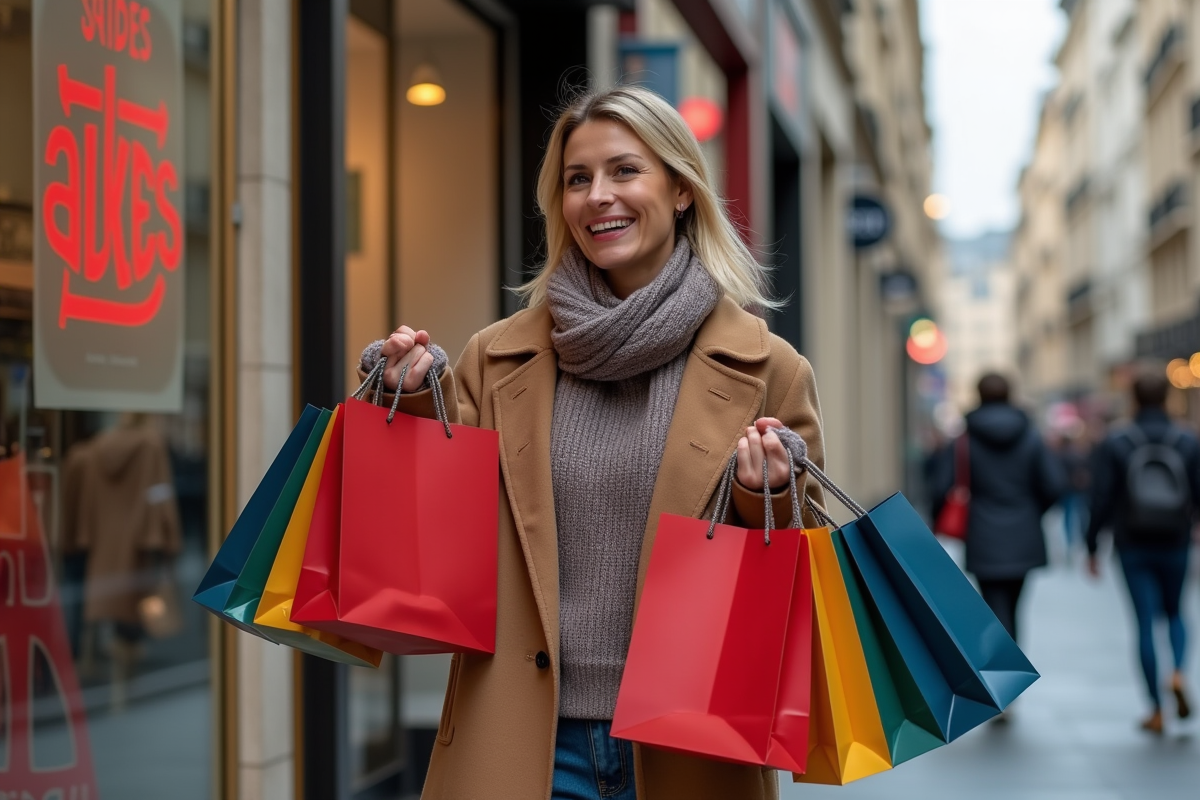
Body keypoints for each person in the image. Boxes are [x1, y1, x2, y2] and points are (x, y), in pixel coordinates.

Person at [358, 86, 826, 800]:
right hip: (521, 748)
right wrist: (410, 395)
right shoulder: (496, 357)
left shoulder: (769, 369)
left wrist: (761, 495)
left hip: (687, 749)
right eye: (578, 179)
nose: (598, 196)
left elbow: (798, 579)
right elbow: (442, 538)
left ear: (679, 189)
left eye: (624, 171)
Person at [1086, 371, 1196, 734]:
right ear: (1167, 397)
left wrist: (1091, 544)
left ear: (1133, 398)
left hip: (1132, 542)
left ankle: (1155, 709)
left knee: (1144, 622)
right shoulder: (1187, 439)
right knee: (1176, 613)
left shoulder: (1117, 441)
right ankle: (1178, 672)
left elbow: (1101, 497)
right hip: (1175, 539)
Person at [932, 373, 1066, 650]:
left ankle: (1003, 671)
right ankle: (1013, 669)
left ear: (979, 396)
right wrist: (1031, 511)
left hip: (982, 534)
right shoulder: (1031, 437)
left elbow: (940, 487)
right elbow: (1054, 485)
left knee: (993, 606)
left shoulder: (964, 440)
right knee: (1015, 607)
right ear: (1010, 395)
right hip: (1024, 533)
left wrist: (937, 522)